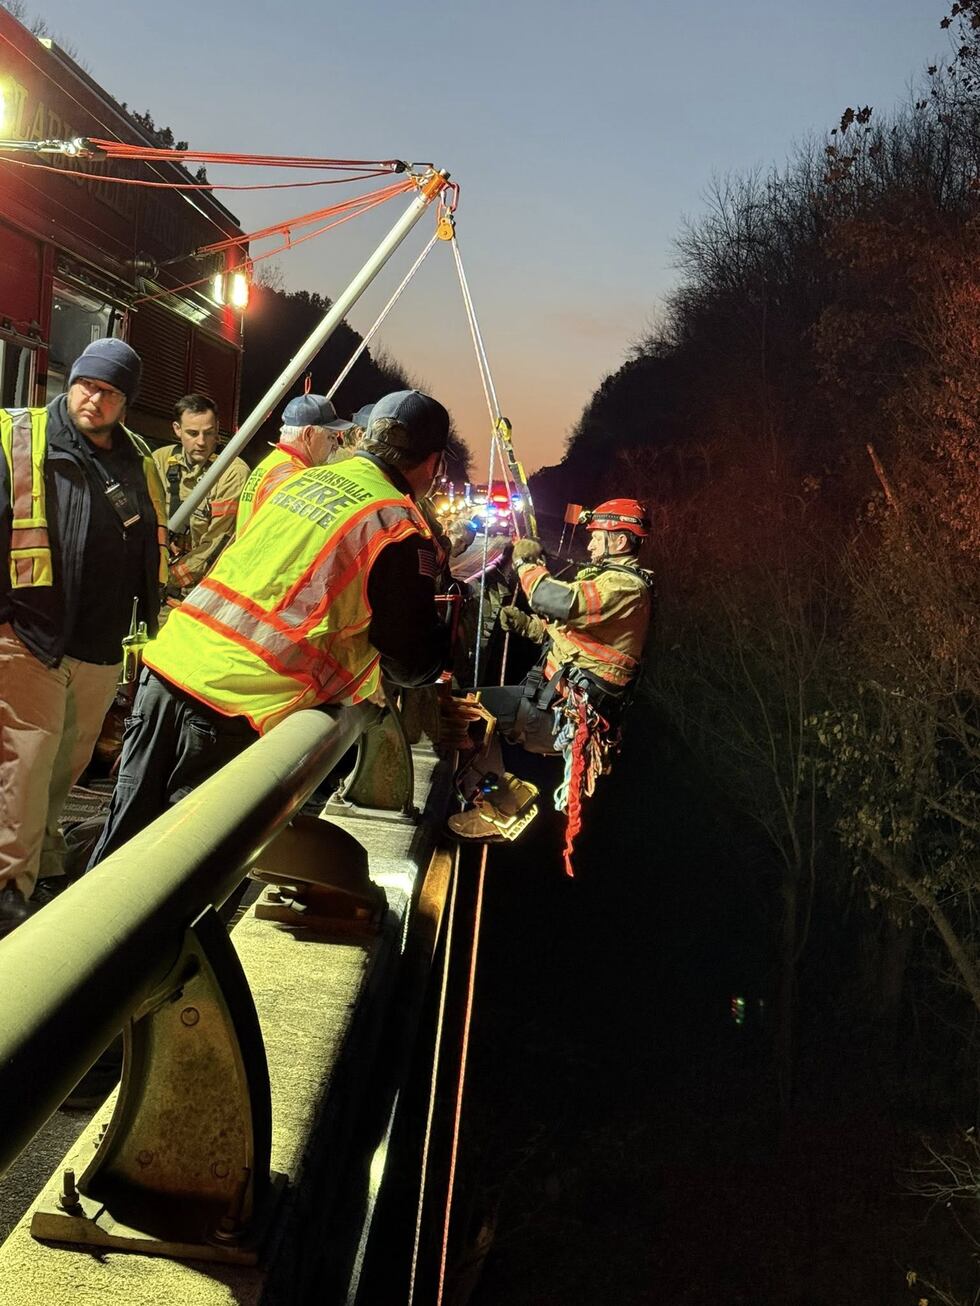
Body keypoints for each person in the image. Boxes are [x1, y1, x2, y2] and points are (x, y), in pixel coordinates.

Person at [87, 388, 454, 866]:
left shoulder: (303, 482)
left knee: (119, 854)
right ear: (433, 463)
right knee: (182, 872)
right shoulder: (397, 525)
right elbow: (410, 661)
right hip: (236, 706)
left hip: (171, 667)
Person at [0, 338, 168, 933]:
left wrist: (150, 619)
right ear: (70, 382)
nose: (94, 398)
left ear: (127, 401)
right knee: (26, 759)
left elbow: (151, 545)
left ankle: (43, 870)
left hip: (100, 642)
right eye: (86, 385)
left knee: (64, 764)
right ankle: (7, 890)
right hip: (31, 632)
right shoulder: (21, 439)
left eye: (110, 391)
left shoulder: (139, 458)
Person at [448, 498, 656, 844]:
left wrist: (527, 562)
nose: (589, 544)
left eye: (596, 536)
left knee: (464, 712)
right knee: (474, 713)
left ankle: (499, 806)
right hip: (555, 706)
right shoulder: (619, 585)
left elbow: (554, 600)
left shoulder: (625, 588)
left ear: (619, 541)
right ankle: (502, 800)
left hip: (561, 716)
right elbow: (575, 639)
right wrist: (528, 627)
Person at [153, 394, 249, 601]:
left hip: (199, 589)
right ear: (177, 429)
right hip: (159, 577)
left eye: (209, 433)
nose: (201, 442)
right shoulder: (160, 460)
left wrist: (165, 579)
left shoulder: (232, 472)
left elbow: (218, 543)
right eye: (192, 433)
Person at [235, 393, 352, 532]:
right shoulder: (294, 477)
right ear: (308, 434)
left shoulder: (273, 463)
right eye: (331, 437)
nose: (335, 446)